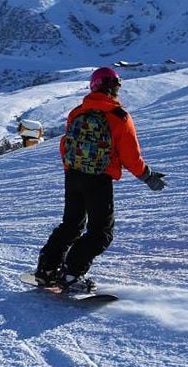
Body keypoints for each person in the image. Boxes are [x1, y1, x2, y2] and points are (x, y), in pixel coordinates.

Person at [35, 66, 166, 292]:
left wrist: (71, 170)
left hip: (74, 175)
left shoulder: (77, 112)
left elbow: (66, 145)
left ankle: (47, 269)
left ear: (94, 87)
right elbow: (130, 156)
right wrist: (148, 177)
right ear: (114, 89)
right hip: (98, 179)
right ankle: (71, 274)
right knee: (100, 233)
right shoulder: (119, 117)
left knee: (71, 225)